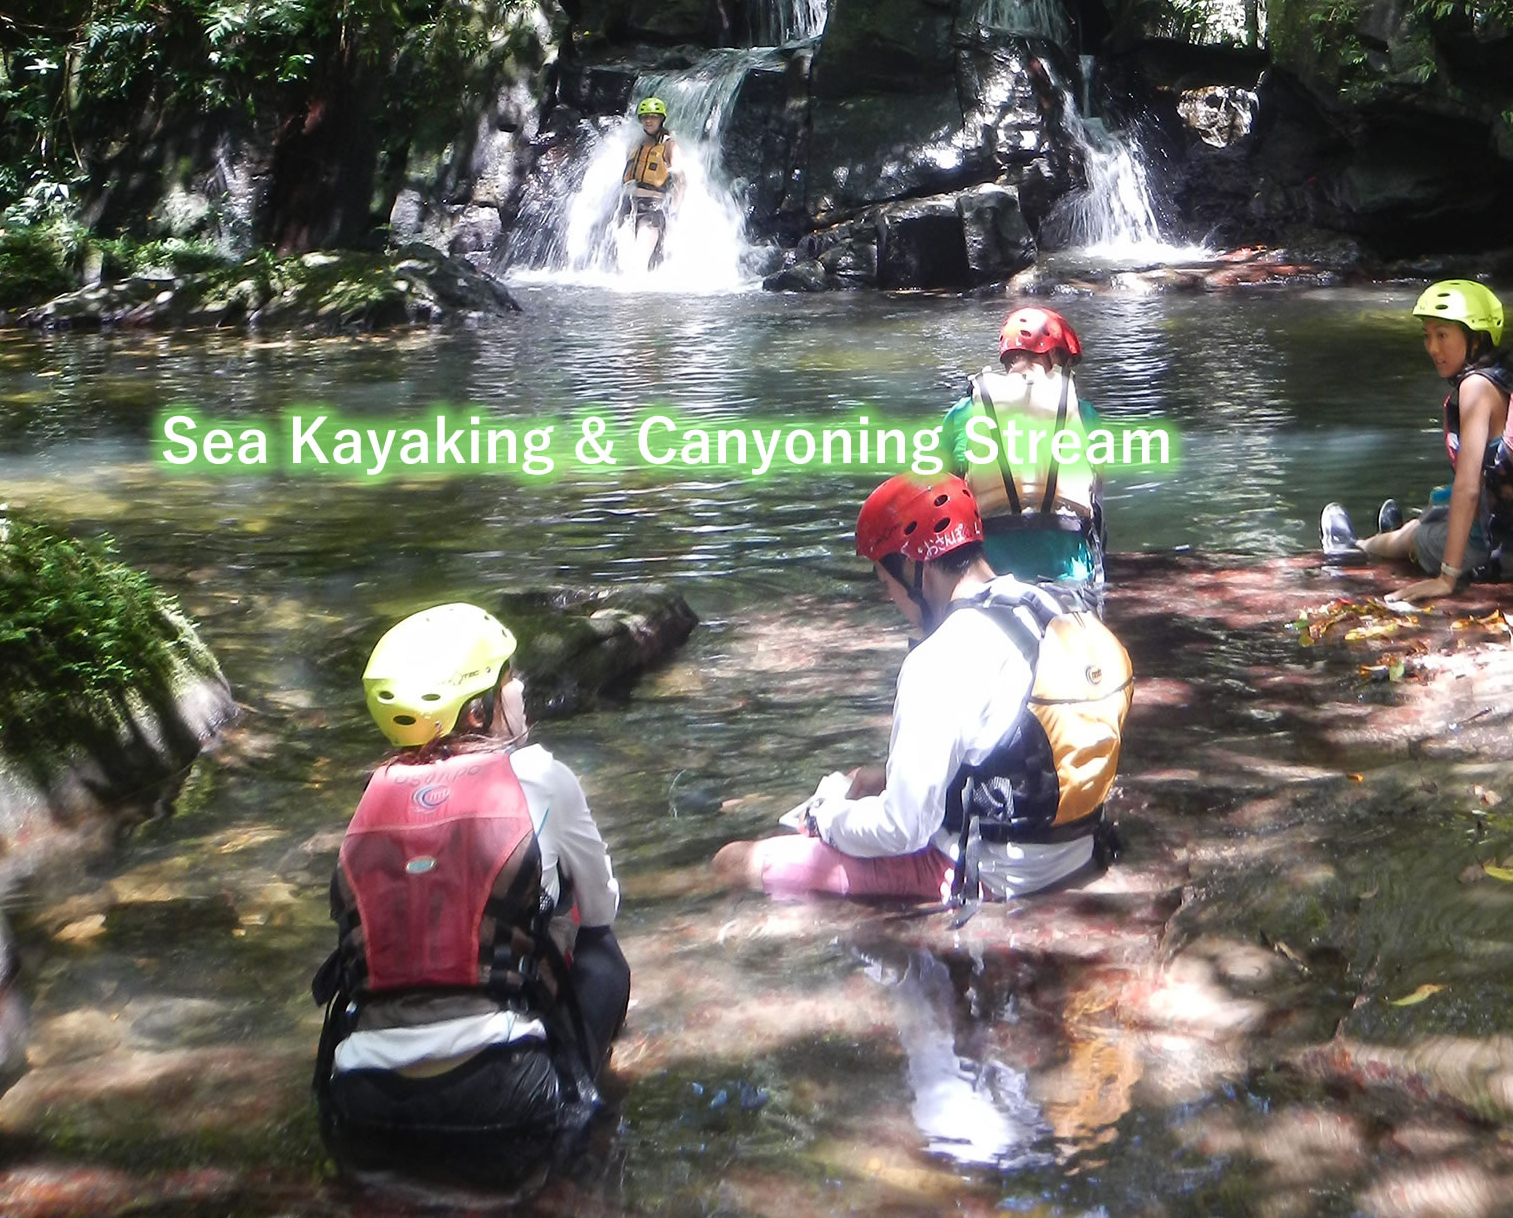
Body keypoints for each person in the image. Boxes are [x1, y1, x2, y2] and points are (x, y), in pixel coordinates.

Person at [312, 603, 629, 1191]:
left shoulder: (372, 796)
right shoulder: (544, 776)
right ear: (479, 710)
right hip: (504, 1092)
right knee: (600, 949)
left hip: (360, 1097)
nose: (522, 685)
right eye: (509, 675)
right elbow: (602, 906)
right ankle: (578, 1172)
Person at [711, 474, 1130, 905]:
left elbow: (904, 828)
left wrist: (825, 819)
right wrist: (881, 780)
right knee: (864, 780)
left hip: (993, 874)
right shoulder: (1053, 610)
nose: (893, 601)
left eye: (886, 583)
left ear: (916, 568)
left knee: (733, 861)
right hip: (1074, 850)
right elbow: (1016, 742)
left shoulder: (940, 658)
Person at [1320, 279, 1513, 600]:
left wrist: (1446, 579)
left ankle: (1355, 548)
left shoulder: (1474, 388)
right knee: (1440, 507)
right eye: (1427, 336)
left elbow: (1468, 488)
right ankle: (1395, 532)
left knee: (1418, 534)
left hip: (1500, 558)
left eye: (1442, 335)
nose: (1432, 348)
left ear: (1475, 339)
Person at [939, 307, 1106, 610]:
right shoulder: (1085, 414)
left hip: (989, 577)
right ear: (1052, 358)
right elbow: (1095, 493)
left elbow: (942, 494)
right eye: (1065, 362)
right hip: (1069, 578)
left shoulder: (964, 413)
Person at [613, 96, 680, 271]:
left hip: (653, 207)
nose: (649, 121)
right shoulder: (637, 145)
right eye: (645, 117)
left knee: (639, 260)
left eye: (653, 116)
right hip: (629, 205)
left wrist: (673, 212)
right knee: (623, 264)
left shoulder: (669, 146)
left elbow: (681, 181)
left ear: (661, 119)